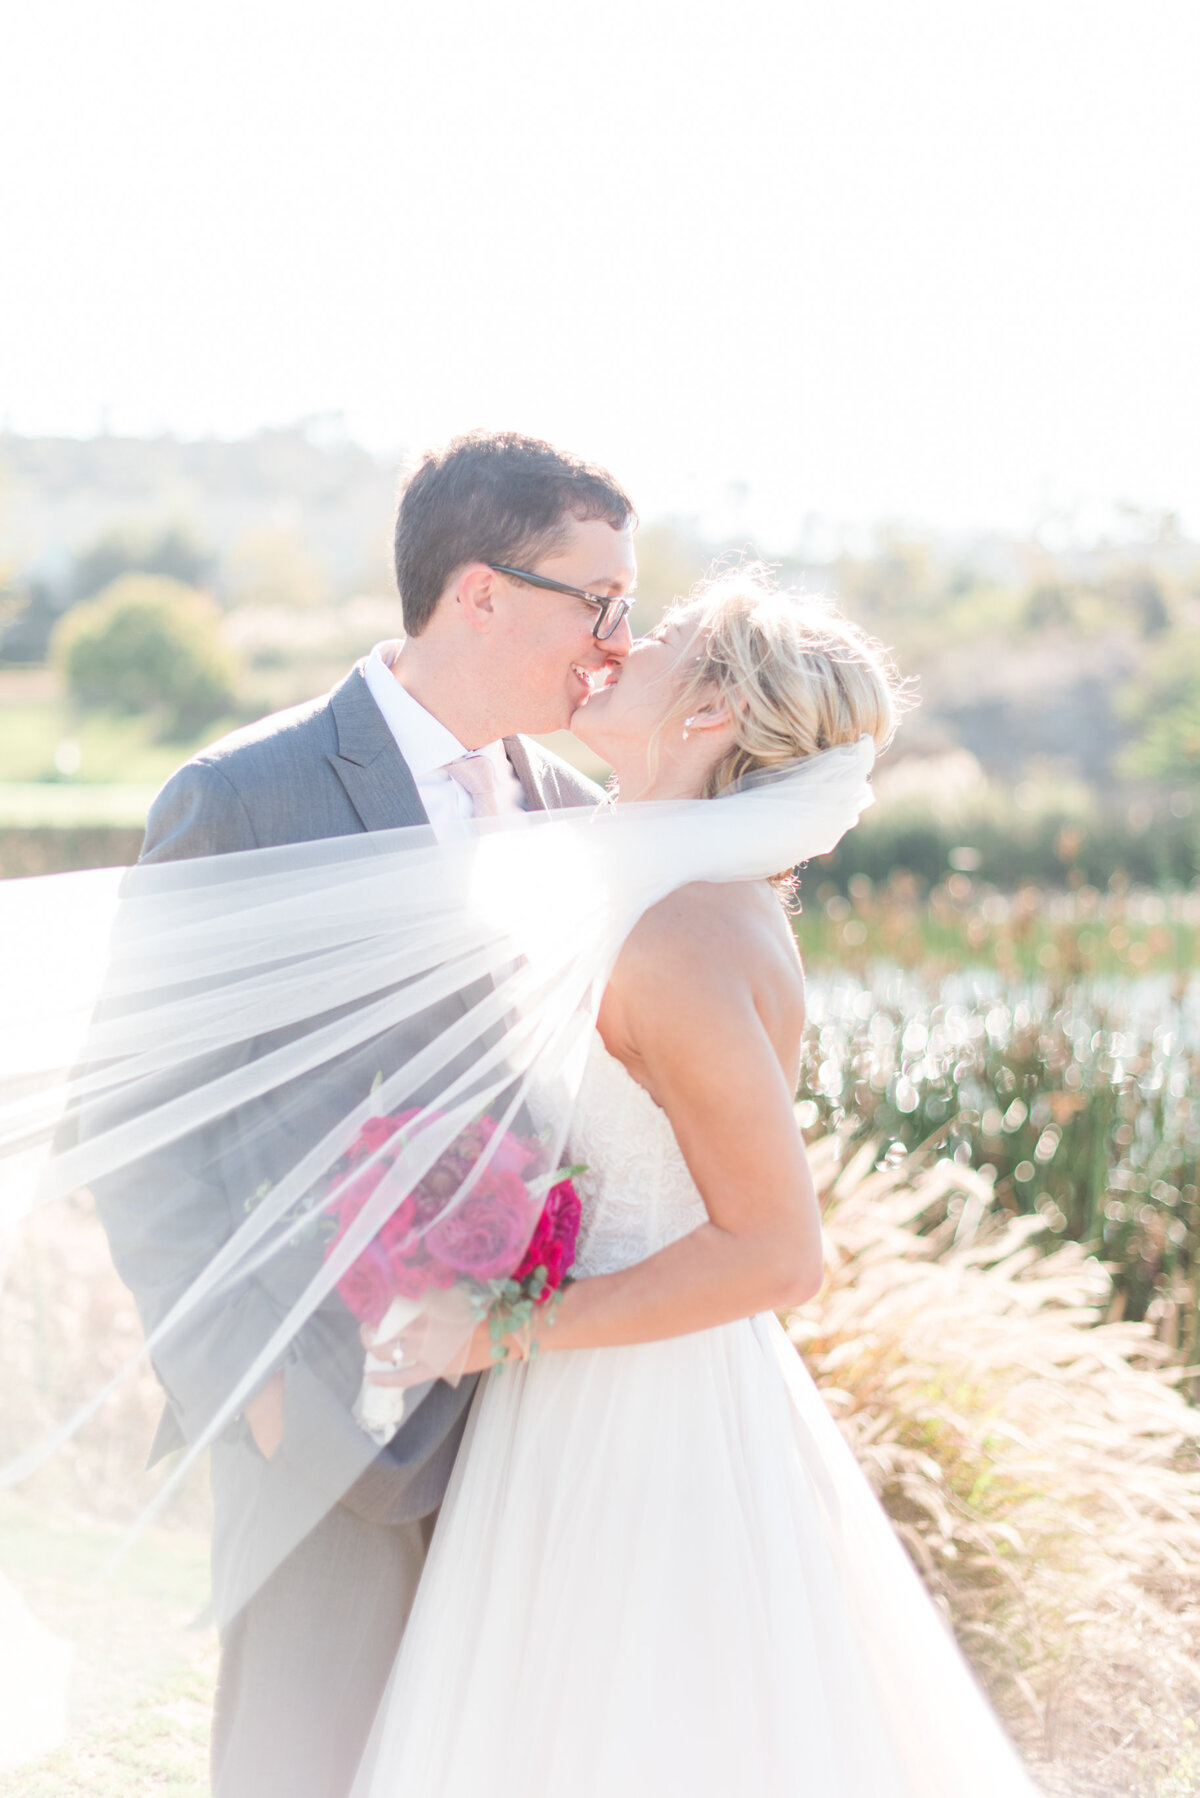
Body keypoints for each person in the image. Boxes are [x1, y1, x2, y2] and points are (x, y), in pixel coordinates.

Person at [350, 572, 1039, 1797]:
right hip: (582, 1392)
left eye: (658, 637)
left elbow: (779, 1252)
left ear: (713, 713)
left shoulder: (684, 929)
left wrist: (498, 1325)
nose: (619, 643)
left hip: (639, 1420)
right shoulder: (660, 891)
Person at [92, 430, 637, 1798]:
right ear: (482, 593)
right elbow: (142, 1125)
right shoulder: (243, 798)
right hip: (318, 1418)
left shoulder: (581, 820)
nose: (620, 643)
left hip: (530, 1408)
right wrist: (259, 1392)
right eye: (601, 601)